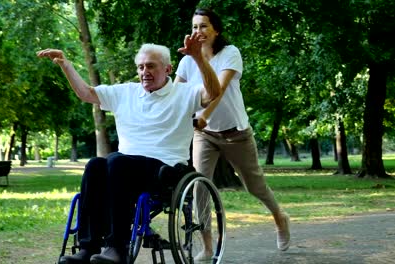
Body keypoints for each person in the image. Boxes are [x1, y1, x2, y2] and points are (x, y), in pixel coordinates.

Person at [37, 32, 221, 264]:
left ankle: (118, 247)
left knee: (117, 160)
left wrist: (199, 59)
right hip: (123, 169)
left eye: (151, 66)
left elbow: (214, 93)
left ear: (168, 69)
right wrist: (66, 64)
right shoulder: (126, 92)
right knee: (96, 165)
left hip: (166, 170)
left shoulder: (184, 93)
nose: (145, 72)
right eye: (141, 67)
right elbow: (86, 93)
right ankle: (88, 247)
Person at [174, 8, 291, 260]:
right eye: (194, 27)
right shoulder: (186, 62)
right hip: (204, 135)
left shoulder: (230, 53)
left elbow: (220, 90)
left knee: (255, 186)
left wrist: (204, 115)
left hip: (235, 132)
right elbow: (175, 95)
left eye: (204, 26)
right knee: (199, 187)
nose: (198, 32)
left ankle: (279, 217)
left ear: (216, 29)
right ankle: (206, 246)